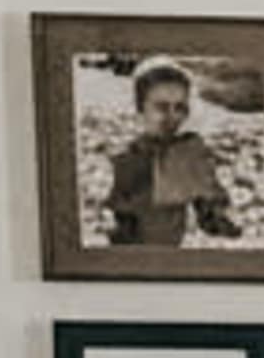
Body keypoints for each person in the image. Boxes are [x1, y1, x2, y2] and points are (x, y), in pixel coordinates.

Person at [100, 60, 239, 250]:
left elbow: (208, 210)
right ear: (141, 109)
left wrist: (215, 216)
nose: (172, 116)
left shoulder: (190, 152)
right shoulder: (129, 159)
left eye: (180, 108)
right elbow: (121, 216)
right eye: (162, 107)